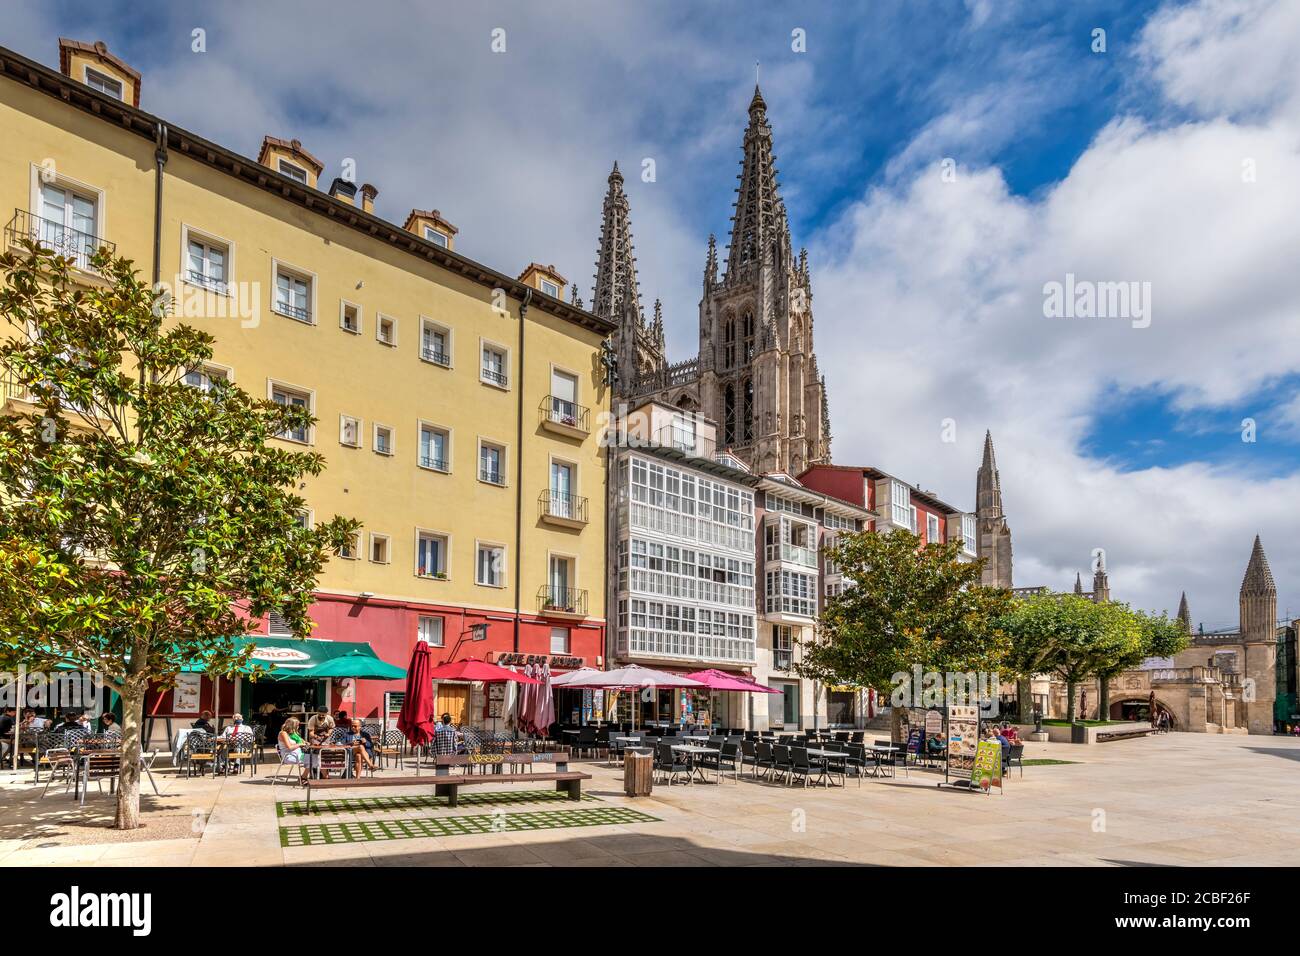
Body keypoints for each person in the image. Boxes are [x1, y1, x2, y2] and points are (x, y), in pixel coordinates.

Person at [276, 717, 312, 783]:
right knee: (313, 759)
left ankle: (307, 777)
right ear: (292, 725)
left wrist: (306, 743)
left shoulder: (293, 733)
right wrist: (300, 745)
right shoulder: (283, 733)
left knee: (315, 757)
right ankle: (304, 777)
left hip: (297, 755)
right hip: (289, 756)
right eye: (297, 725)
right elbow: (289, 747)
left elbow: (302, 741)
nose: (298, 727)